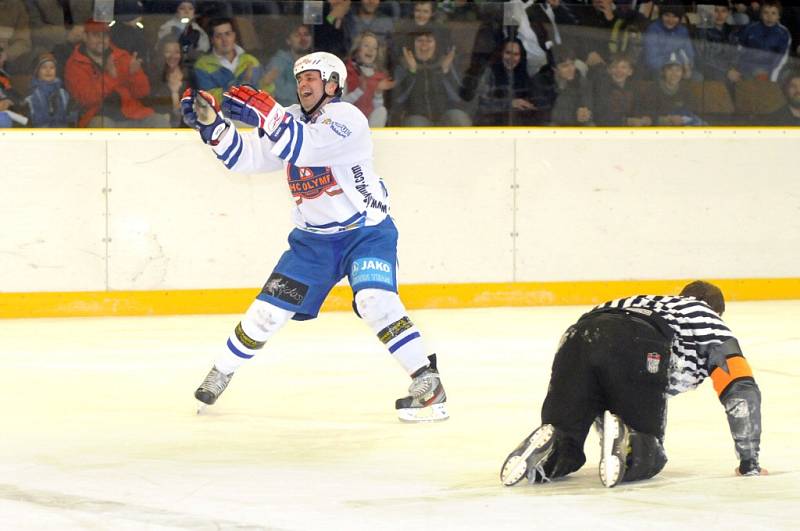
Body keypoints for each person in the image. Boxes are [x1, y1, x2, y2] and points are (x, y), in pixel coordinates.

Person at [180, 51, 449, 423]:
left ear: (333, 85)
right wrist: (212, 126)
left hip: (366, 233)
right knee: (265, 314)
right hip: (312, 243)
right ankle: (220, 372)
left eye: (313, 78)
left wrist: (265, 111)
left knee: (375, 300)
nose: (304, 84)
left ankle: (428, 383)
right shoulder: (288, 119)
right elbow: (245, 159)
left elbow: (305, 146)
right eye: (301, 78)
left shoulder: (347, 119)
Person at [500, 280, 765, 488]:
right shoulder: (708, 318)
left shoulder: (644, 300)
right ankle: (634, 443)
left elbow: (608, 385)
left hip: (577, 336)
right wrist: (748, 462)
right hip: (639, 339)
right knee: (646, 452)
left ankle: (555, 447)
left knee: (567, 429)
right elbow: (741, 391)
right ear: (717, 311)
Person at [65, 19, 168, 127]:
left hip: (132, 112)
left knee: (160, 122)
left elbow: (143, 93)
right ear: (85, 37)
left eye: (105, 36)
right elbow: (87, 99)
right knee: (102, 126)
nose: (101, 40)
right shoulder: (75, 64)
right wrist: (110, 76)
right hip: (97, 115)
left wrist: (134, 74)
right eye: (95, 35)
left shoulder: (122, 56)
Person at [392, 29, 471, 126]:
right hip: (417, 118)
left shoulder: (445, 63)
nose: (424, 45)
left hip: (444, 118)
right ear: (413, 44)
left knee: (459, 117)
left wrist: (446, 72)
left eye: (429, 41)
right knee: (416, 123)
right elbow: (398, 98)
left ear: (436, 45)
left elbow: (459, 97)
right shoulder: (403, 65)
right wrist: (412, 71)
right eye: (420, 40)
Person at [193, 17, 265, 102]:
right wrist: (243, 83)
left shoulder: (251, 60)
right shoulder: (202, 65)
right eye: (219, 36)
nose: (225, 40)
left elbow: (265, 94)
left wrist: (266, 83)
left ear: (234, 35)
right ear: (212, 40)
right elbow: (210, 99)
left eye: (228, 34)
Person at [474, 37, 536, 126]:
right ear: (501, 53)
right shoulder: (490, 72)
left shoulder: (524, 75)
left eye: (516, 54)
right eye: (508, 53)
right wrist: (510, 103)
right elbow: (482, 104)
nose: (511, 58)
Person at [730, 0, 791, 82]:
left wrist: (770, 73)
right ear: (761, 15)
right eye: (766, 12)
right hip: (746, 68)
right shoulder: (750, 28)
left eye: (773, 13)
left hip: (768, 71)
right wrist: (737, 66)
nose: (769, 16)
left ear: (778, 16)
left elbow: (781, 57)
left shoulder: (783, 33)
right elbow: (738, 46)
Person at [344, 30, 394, 126]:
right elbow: (340, 104)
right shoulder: (345, 71)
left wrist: (378, 92)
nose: (370, 50)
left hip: (369, 126)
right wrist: (359, 91)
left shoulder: (381, 76)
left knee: (382, 111)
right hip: (349, 123)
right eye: (366, 46)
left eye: (374, 48)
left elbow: (378, 111)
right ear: (358, 49)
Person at [261, 23, 314, 107]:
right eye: (297, 35)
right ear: (288, 41)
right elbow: (278, 91)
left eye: (306, 34)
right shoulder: (278, 61)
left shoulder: (318, 61)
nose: (303, 38)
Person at [642, 5, 695, 80]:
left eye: (675, 16)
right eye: (667, 15)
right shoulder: (653, 29)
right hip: (659, 70)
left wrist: (687, 68)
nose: (670, 20)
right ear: (661, 16)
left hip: (680, 68)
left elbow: (690, 55)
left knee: (697, 78)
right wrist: (671, 65)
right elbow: (651, 61)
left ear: (679, 18)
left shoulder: (683, 30)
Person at [24, 52, 77, 127]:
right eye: (44, 67)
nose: (48, 71)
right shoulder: (33, 94)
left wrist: (72, 112)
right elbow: (33, 120)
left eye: (52, 67)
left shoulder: (63, 93)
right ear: (37, 71)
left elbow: (69, 118)